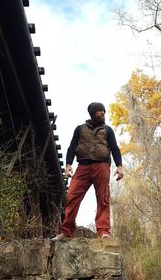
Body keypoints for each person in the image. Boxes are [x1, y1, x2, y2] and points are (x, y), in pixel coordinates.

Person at [52, 102, 123, 241]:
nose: (103, 113)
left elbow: (115, 149)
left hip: (101, 166)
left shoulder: (108, 130)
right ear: (92, 113)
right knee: (71, 196)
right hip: (83, 167)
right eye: (100, 111)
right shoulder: (80, 129)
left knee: (103, 198)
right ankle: (66, 231)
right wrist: (68, 165)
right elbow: (72, 147)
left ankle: (104, 231)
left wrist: (120, 167)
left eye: (104, 111)